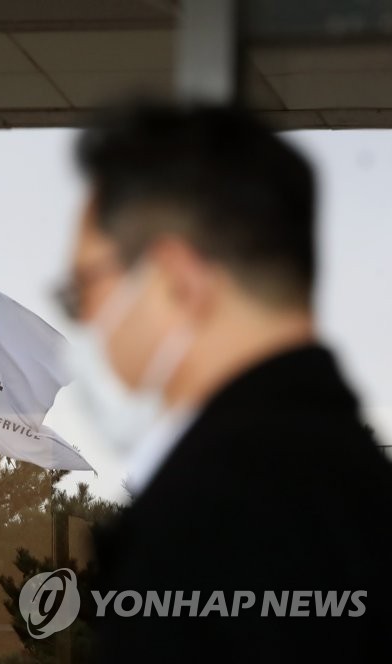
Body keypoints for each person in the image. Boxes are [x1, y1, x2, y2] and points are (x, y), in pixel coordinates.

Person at [59, 102, 392, 662]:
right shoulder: (357, 492)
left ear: (178, 282)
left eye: (84, 289)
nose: (85, 320)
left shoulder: (205, 528)